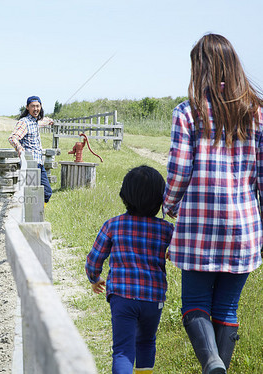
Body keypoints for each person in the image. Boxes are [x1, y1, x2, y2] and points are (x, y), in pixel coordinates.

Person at [163, 33, 263, 374]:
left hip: (198, 225)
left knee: (194, 304)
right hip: (244, 226)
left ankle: (211, 361)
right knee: (228, 308)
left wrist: (170, 205)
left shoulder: (187, 112)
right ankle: (218, 367)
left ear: (201, 68)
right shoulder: (257, 113)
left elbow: (178, 170)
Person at [86, 165, 174, 374]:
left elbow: (94, 259)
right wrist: (174, 251)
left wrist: (94, 277)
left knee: (123, 350)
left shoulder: (113, 225)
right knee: (146, 342)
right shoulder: (167, 229)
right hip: (153, 298)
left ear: (124, 196)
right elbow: (182, 247)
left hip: (122, 298)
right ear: (160, 199)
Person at [8, 95, 54, 203]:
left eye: (38, 106)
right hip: (30, 164)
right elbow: (12, 138)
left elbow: (41, 122)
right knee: (32, 194)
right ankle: (33, 216)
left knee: (46, 192)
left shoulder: (35, 121)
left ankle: (38, 213)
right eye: (33, 106)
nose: (36, 109)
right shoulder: (24, 122)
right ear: (27, 107)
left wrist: (49, 121)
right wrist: (19, 148)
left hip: (39, 163)